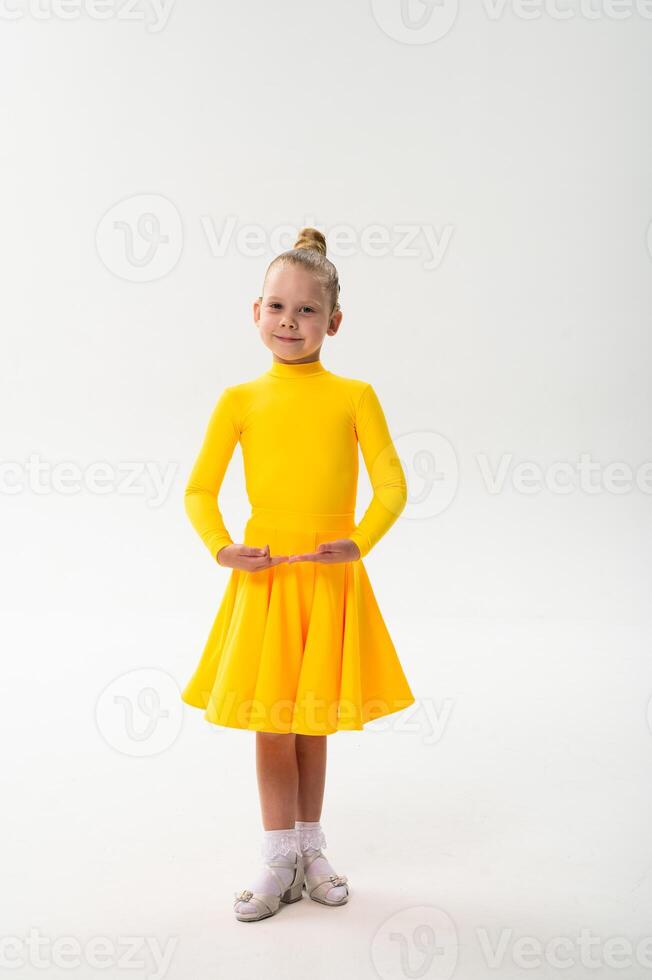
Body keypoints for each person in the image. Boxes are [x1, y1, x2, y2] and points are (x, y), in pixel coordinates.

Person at [181, 226, 415, 921]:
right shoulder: (238, 400)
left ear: (334, 322)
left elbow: (394, 488)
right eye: (278, 307)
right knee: (272, 724)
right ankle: (275, 855)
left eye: (308, 310)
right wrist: (222, 547)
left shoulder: (355, 395)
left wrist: (360, 542)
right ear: (255, 312)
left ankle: (311, 850)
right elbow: (199, 490)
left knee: (312, 723)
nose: (291, 321)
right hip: (268, 584)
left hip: (328, 580)